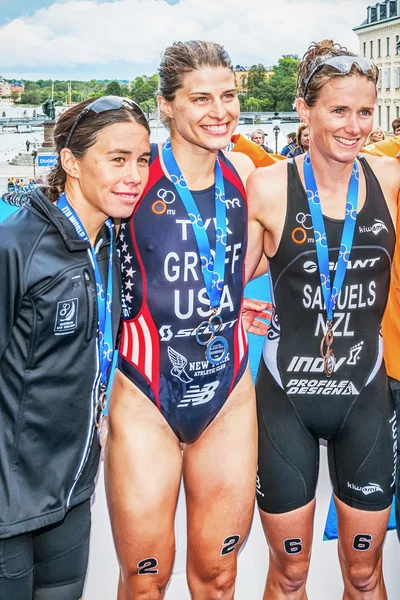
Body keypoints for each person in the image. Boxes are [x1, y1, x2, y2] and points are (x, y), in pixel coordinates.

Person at [105, 40, 261, 600]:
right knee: (146, 582)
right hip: (146, 396)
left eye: (228, 95)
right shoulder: (130, 177)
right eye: (200, 98)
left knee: (217, 579)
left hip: (228, 396)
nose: (219, 111)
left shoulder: (247, 171)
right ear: (167, 106)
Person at [246, 40, 399, 598]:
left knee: (364, 572)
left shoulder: (389, 178)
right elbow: (223, 281)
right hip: (287, 396)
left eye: (364, 111)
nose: (354, 126)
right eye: (338, 110)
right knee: (290, 574)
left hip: (365, 395)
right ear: (304, 110)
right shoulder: (267, 186)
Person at [0, 96, 150, 599]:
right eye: (117, 159)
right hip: (9, 504)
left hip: (72, 493)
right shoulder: (14, 247)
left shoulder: (112, 245)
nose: (134, 175)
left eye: (142, 160)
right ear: (70, 163)